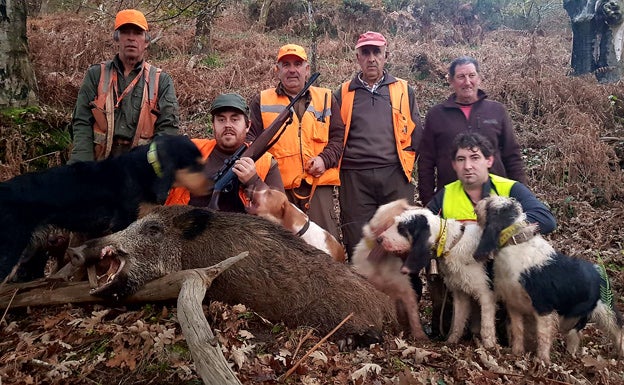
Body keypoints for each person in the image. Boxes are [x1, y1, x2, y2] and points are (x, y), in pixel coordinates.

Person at [426, 131, 556, 339]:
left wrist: (494, 228)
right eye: (461, 159)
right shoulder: (446, 194)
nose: (468, 166)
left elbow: (546, 219)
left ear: (489, 160)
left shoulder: (509, 188)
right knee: (447, 331)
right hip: (465, 277)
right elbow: (425, 225)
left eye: (475, 157)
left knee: (528, 343)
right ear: (454, 165)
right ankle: (453, 315)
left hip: (511, 277)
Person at [333, 31, 423, 260]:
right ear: (358, 57)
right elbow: (334, 134)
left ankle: (404, 291)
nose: (371, 58)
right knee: (357, 237)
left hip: (394, 174)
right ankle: (363, 291)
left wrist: (408, 164)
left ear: (386, 56)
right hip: (354, 177)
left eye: (376, 52)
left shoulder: (403, 89)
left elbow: (415, 131)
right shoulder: (343, 93)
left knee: (401, 235)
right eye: (365, 52)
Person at [248, 44, 344, 239]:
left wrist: (324, 160)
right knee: (281, 249)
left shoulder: (327, 98)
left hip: (317, 186)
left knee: (324, 246)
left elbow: (338, 137)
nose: (292, 70)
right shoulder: (261, 100)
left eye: (298, 64)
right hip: (278, 190)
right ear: (278, 70)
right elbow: (250, 142)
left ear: (307, 69)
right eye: (286, 64)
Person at [68, 9, 180, 164]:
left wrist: (154, 169)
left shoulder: (162, 81)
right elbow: (81, 121)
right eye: (125, 32)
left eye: (137, 33)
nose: (131, 38)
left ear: (146, 42)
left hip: (139, 167)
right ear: (117, 39)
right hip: (98, 163)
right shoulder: (96, 74)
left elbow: (168, 129)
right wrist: (81, 166)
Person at [418, 56, 527, 206]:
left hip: (496, 199)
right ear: (451, 81)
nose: (467, 82)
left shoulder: (497, 111)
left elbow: (512, 156)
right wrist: (428, 201)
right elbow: (426, 162)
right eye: (461, 77)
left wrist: (520, 196)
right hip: (452, 200)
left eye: (471, 76)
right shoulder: (436, 115)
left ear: (479, 78)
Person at [166, 93, 284, 211]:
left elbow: (281, 211)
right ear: (213, 125)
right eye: (221, 119)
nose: (228, 125)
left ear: (248, 126)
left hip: (240, 229)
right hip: (184, 226)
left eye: (235, 119)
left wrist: (253, 181)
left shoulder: (266, 163)